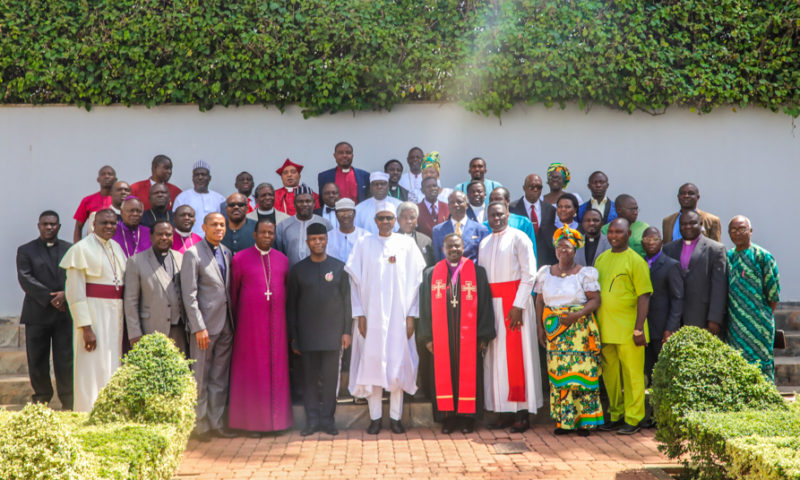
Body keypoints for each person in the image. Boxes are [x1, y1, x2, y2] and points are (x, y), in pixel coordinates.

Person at [346, 202, 426, 435]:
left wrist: (412, 316)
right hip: (371, 317)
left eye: (389, 218)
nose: (385, 222)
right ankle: (375, 418)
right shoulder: (363, 244)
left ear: (396, 220)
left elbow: (415, 284)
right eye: (381, 218)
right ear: (374, 221)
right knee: (373, 365)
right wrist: (359, 314)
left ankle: (396, 417)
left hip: (398, 317)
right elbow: (354, 283)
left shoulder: (406, 244)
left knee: (397, 365)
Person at [417, 234, 495, 434]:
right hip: (442, 338)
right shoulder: (431, 274)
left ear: (464, 248)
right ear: (443, 248)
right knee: (445, 376)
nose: (454, 250)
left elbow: (485, 304)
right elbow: (424, 308)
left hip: (469, 338)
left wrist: (483, 336)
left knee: (468, 376)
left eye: (457, 246)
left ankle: (468, 418)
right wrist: (427, 338)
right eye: (450, 246)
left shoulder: (477, 273)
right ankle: (448, 418)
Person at [478, 202, 543, 433]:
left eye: (500, 214)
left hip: (515, 304)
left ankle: (522, 412)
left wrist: (518, 304)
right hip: (493, 306)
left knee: (519, 358)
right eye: (492, 215)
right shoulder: (484, 243)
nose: (496, 218)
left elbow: (530, 273)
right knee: (496, 360)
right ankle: (503, 410)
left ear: (508, 214)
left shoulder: (519, 237)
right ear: (488, 217)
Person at [533, 226, 603, 436]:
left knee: (582, 376)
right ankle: (565, 422)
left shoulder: (584, 274)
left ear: (575, 250)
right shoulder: (545, 273)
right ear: (555, 250)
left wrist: (576, 315)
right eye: (560, 247)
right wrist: (540, 327)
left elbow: (595, 300)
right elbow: (539, 300)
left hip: (579, 331)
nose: (563, 251)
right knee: (560, 376)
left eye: (568, 247)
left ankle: (585, 422)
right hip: (555, 332)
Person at [228, 220, 292, 436]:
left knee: (277, 372)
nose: (267, 236)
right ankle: (252, 424)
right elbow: (233, 294)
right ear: (254, 235)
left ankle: (278, 423)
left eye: (270, 233)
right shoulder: (240, 259)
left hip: (277, 327)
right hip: (250, 327)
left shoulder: (282, 260)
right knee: (253, 373)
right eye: (263, 232)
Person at [288, 223, 352, 436]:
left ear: (327, 241)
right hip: (307, 336)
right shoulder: (298, 270)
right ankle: (312, 420)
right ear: (307, 242)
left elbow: (346, 302)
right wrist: (294, 337)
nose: (318, 243)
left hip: (332, 335)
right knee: (309, 381)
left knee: (330, 380)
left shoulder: (338, 267)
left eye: (321, 239)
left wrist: (346, 331)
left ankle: (327, 420)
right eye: (314, 239)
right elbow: (292, 306)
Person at [60, 209, 126, 412]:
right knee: (90, 366)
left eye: (113, 223)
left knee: (112, 363)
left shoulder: (116, 247)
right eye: (104, 223)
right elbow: (75, 293)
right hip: (94, 316)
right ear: (93, 225)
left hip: (115, 314)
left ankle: (109, 411)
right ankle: (87, 411)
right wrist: (85, 327)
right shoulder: (80, 249)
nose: (109, 227)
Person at [594, 218, 652, 435]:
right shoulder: (601, 259)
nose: (614, 236)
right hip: (605, 329)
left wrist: (639, 329)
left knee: (632, 375)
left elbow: (644, 296)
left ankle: (634, 418)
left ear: (628, 234)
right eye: (610, 232)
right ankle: (616, 415)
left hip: (630, 330)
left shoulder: (636, 261)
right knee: (610, 376)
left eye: (619, 232)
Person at [181, 212, 235, 441]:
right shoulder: (193, 254)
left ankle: (216, 422)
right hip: (204, 328)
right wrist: (198, 327)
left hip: (225, 326)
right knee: (200, 378)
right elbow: (189, 295)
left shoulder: (227, 252)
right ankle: (199, 425)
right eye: (214, 225)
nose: (219, 228)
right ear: (204, 227)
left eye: (222, 225)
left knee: (219, 378)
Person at [16, 211, 73, 410]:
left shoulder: (70, 249)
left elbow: (75, 276)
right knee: (37, 359)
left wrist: (65, 294)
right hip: (37, 313)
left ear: (59, 226)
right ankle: (41, 398)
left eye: (53, 224)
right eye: (45, 224)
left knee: (65, 359)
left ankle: (68, 400)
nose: (49, 227)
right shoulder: (26, 250)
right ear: (38, 226)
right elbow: (25, 278)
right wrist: (50, 297)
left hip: (64, 313)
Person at [725, 216, 781, 381]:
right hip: (734, 325)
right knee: (736, 365)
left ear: (750, 231)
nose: (738, 233)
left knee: (761, 365)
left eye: (742, 229)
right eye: (733, 230)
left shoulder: (763, 257)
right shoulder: (728, 258)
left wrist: (760, 315)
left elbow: (773, 294)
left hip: (759, 325)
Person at [123, 221, 187, 355]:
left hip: (179, 330)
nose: (164, 237)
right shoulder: (136, 261)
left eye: (168, 234)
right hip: (150, 328)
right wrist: (134, 333)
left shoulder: (180, 258)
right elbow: (130, 301)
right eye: (160, 234)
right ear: (151, 236)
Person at [662, 210, 728, 335]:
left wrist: (714, 318)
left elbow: (719, 286)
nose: (687, 227)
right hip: (674, 317)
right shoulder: (668, 249)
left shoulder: (715, 249)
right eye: (683, 224)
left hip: (702, 315)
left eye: (692, 223)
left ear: (701, 223)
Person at [641, 227, 683, 384]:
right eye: (647, 240)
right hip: (643, 327)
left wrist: (670, 328)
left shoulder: (671, 265)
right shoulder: (638, 263)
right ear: (642, 243)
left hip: (662, 328)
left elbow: (677, 298)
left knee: (664, 373)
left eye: (655, 239)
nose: (651, 243)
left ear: (662, 242)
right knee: (648, 371)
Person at [275, 186, 333, 267]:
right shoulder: (283, 226)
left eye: (308, 201)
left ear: (313, 203)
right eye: (300, 201)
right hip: (292, 275)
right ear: (294, 204)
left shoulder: (325, 224)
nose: (304, 204)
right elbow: (279, 253)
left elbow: (331, 250)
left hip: (319, 273)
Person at [510, 174, 557, 265]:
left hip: (545, 261)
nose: (535, 190)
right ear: (524, 188)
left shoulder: (550, 209)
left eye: (539, 187)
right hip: (520, 258)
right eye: (531, 187)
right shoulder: (512, 208)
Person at [432, 190, 489, 263]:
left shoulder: (480, 230)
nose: (455, 205)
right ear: (448, 206)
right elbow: (437, 258)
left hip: (472, 272)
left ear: (467, 205)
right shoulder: (438, 230)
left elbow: (484, 258)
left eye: (459, 202)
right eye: (452, 202)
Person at [172, 161, 226, 237]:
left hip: (213, 241)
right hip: (189, 241)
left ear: (209, 178)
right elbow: (175, 221)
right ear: (192, 178)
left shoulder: (220, 199)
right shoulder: (182, 198)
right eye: (197, 175)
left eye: (203, 175)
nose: (200, 177)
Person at [73, 165, 116, 242]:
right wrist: (76, 247)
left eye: (110, 174)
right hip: (93, 244)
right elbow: (78, 227)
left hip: (115, 244)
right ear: (98, 179)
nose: (106, 176)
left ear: (115, 179)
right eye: (103, 174)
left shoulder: (120, 201)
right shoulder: (87, 200)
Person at [487, 187, 537, 254]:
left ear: (507, 201)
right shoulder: (484, 226)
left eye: (498, 199)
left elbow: (531, 253)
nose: (494, 203)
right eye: (491, 200)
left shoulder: (524, 223)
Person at [326, 198, 370, 262]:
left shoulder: (366, 236)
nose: (345, 215)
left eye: (348, 211)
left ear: (354, 213)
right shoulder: (328, 237)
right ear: (336, 214)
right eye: (341, 212)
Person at [397, 202, 435, 267]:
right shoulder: (391, 241)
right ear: (398, 220)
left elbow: (431, 266)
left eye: (412, 218)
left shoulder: (426, 241)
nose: (408, 221)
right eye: (404, 217)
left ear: (417, 220)